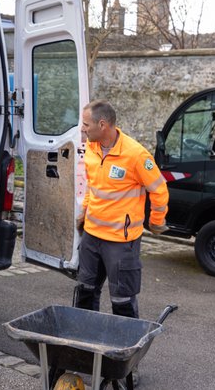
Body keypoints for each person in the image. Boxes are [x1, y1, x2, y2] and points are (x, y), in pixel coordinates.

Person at [75, 99, 169, 383]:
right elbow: (93, 185)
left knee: (123, 303)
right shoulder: (91, 149)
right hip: (92, 237)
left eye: (86, 124)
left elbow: (159, 189)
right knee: (86, 294)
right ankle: (88, 355)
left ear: (102, 125)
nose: (82, 129)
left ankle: (126, 365)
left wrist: (156, 221)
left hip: (122, 242)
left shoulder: (135, 154)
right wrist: (85, 212)